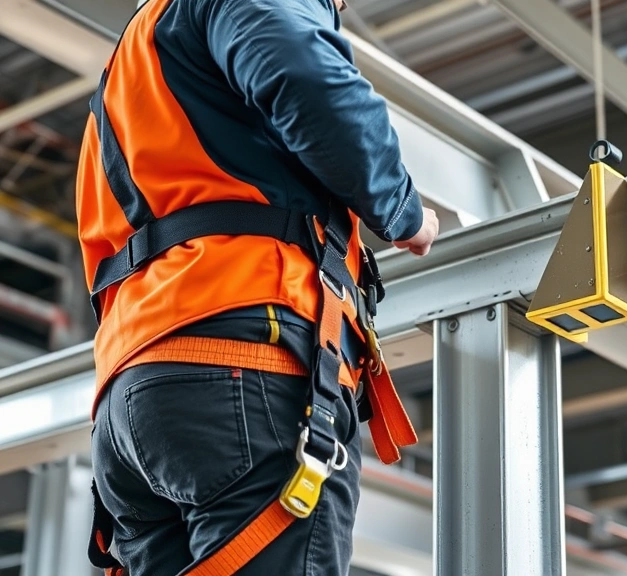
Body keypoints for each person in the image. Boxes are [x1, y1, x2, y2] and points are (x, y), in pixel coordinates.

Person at [75, 0, 438, 573]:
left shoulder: (130, 71)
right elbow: (303, 72)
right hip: (243, 366)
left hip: (134, 398)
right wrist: (403, 210)